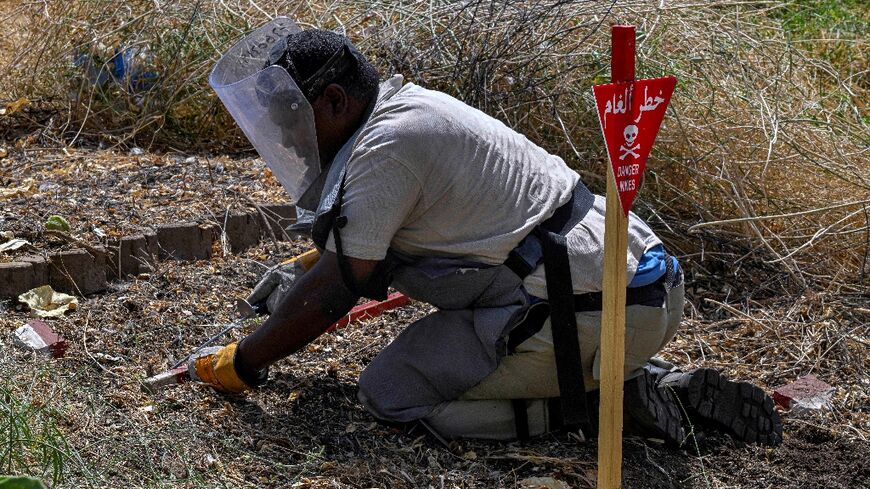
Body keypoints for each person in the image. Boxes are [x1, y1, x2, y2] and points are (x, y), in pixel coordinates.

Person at [195, 17, 782, 447]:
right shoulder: (407, 110)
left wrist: (244, 361)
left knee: (391, 392)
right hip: (630, 287)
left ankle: (607, 402)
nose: (288, 138)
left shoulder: (386, 151)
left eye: (291, 121)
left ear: (333, 100)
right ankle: (626, 377)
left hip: (591, 309)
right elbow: (388, 242)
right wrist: (311, 264)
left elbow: (336, 290)